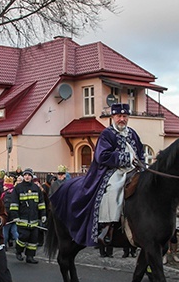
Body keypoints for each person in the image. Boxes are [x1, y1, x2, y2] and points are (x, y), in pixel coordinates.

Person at [50, 103, 144, 246]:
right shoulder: (107, 134)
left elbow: (141, 152)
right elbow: (102, 156)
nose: (122, 119)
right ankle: (107, 226)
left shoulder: (133, 133)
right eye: (119, 116)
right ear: (113, 117)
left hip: (133, 169)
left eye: (125, 116)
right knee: (113, 190)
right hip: (112, 171)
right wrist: (126, 158)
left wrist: (141, 163)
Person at [10, 168, 46, 264]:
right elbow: (14, 203)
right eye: (25, 175)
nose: (27, 177)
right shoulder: (18, 188)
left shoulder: (36, 188)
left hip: (34, 219)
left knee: (33, 240)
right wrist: (15, 216)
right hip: (22, 219)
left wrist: (43, 215)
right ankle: (18, 251)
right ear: (23, 176)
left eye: (29, 175)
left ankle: (30, 257)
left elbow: (41, 203)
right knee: (24, 236)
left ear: (32, 177)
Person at [1, 176, 18, 249]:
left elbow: (4, 205)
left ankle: (4, 246)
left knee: (5, 233)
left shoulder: (6, 194)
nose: (3, 187)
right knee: (14, 232)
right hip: (15, 217)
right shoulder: (15, 193)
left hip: (8, 217)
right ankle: (19, 245)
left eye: (4, 186)